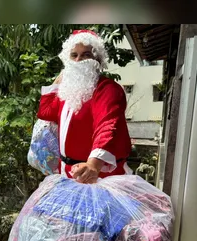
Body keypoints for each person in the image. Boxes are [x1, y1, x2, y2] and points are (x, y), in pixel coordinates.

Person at [37, 29, 132, 184]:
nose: (78, 60)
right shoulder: (68, 92)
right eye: (74, 55)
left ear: (98, 60)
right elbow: (45, 112)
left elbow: (107, 125)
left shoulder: (107, 89)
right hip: (67, 174)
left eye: (86, 55)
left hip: (98, 176)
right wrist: (60, 79)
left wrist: (93, 165)